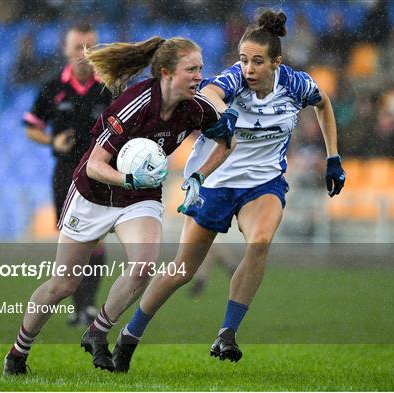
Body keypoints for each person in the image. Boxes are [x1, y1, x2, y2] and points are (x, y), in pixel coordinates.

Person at [110, 9, 346, 371]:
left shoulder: (295, 84)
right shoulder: (235, 79)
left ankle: (227, 333)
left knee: (260, 241)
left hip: (263, 183)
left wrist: (333, 156)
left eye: (257, 62)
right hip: (217, 181)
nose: (248, 69)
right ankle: (130, 335)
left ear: (276, 63)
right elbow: (211, 92)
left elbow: (324, 104)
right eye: (243, 60)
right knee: (182, 271)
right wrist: (226, 114)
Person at [3, 35, 234, 376]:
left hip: (139, 196)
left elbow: (226, 142)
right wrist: (127, 180)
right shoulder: (136, 102)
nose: (200, 76)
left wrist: (198, 176)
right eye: (192, 69)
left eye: (201, 68)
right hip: (93, 192)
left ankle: (98, 330)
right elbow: (96, 164)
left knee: (143, 266)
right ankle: (17, 354)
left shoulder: (195, 107)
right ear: (167, 73)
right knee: (63, 285)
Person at [23, 23, 112, 327]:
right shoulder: (52, 87)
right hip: (64, 174)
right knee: (72, 240)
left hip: (99, 173)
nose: (85, 55)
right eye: (78, 48)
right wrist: (52, 141)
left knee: (96, 238)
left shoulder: (109, 88)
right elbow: (31, 126)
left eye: (91, 48)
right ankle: (81, 307)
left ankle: (86, 306)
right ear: (65, 49)